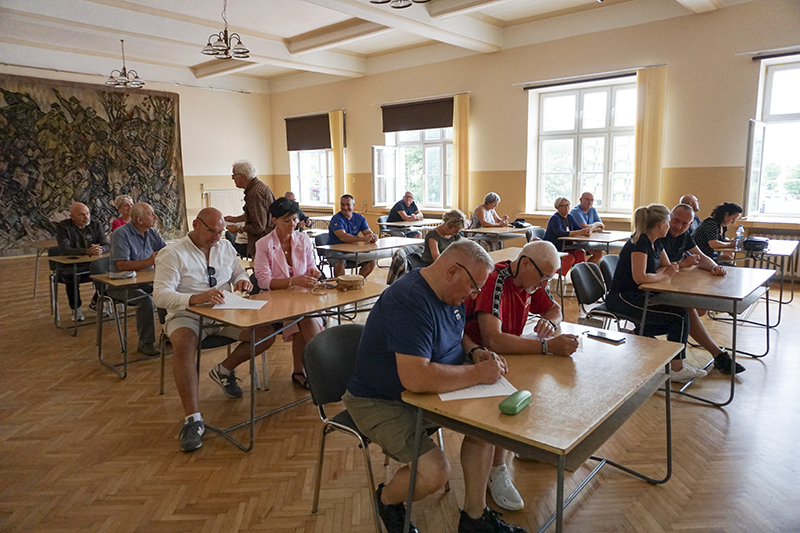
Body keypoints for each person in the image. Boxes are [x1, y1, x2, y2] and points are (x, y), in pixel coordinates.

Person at [343, 239, 526, 533]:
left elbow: (456, 336)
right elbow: (417, 378)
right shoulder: (409, 300)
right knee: (436, 472)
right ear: (452, 272)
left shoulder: (449, 295)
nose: (474, 295)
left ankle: (475, 519)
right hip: (380, 400)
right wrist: (478, 373)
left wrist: (475, 351)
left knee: (488, 428)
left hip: (428, 394)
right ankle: (387, 500)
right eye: (474, 287)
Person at [463, 241, 580, 512]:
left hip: (508, 357)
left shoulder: (529, 281)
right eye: (543, 277)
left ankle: (517, 446)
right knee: (503, 400)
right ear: (525, 263)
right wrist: (547, 346)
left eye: (548, 279)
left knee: (532, 385)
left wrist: (551, 322)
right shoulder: (496, 281)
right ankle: (497, 467)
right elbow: (493, 339)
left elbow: (554, 309)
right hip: (476, 357)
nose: (543, 284)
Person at [154, 208, 276, 453]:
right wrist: (195, 298)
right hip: (186, 314)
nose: (217, 237)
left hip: (223, 312)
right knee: (184, 345)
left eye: (221, 232)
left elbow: (238, 270)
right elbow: (160, 295)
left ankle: (223, 370)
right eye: (212, 231)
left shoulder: (224, 247)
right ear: (196, 224)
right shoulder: (173, 253)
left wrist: (243, 279)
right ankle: (193, 419)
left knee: (265, 333)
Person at [606, 204, 703, 383]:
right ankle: (676, 368)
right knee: (680, 318)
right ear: (660, 224)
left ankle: (638, 336)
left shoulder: (656, 241)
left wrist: (663, 272)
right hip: (623, 298)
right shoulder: (640, 242)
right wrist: (663, 274)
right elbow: (639, 277)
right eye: (668, 221)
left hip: (641, 294)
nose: (670, 226)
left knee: (679, 316)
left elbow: (667, 266)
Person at [660, 204, 745, 375]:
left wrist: (714, 267)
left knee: (697, 309)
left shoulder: (684, 236)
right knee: (687, 309)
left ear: (690, 225)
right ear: (669, 217)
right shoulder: (659, 234)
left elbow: (700, 256)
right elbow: (661, 268)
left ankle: (718, 355)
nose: (678, 226)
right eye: (675, 220)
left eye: (684, 224)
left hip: (669, 284)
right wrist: (683, 264)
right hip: (652, 288)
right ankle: (717, 355)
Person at [253, 197, 323, 390]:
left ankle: (303, 370)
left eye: (294, 219)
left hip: (300, 297)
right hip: (274, 301)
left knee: (304, 316)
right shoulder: (263, 244)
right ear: (274, 220)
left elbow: (311, 266)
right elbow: (263, 281)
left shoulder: (303, 239)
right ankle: (323, 366)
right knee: (305, 317)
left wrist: (314, 272)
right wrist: (293, 281)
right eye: (286, 220)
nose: (292, 224)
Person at [108, 202, 166, 357]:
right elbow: (122, 265)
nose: (155, 217)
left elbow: (165, 252)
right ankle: (145, 343)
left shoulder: (152, 233)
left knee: (168, 291)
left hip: (147, 281)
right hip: (122, 285)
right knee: (146, 301)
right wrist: (149, 261)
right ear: (140, 220)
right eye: (151, 214)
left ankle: (169, 332)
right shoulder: (120, 234)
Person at [55, 202, 110, 322]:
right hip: (71, 265)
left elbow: (107, 244)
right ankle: (76, 309)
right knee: (71, 277)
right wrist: (86, 251)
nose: (86, 217)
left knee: (108, 273)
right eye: (82, 215)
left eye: (88, 213)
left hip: (92, 263)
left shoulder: (95, 225)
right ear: (72, 216)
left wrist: (100, 249)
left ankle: (95, 303)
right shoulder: (63, 227)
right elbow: (65, 249)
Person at [224, 160, 276, 258]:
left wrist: (239, 229)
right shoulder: (259, 187)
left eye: (233, 175)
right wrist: (236, 219)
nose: (232, 178)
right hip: (268, 242)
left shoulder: (254, 194)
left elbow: (259, 226)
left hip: (263, 245)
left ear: (242, 177)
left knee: (260, 273)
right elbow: (257, 214)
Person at [327, 194, 378, 278]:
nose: (345, 207)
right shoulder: (336, 219)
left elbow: (368, 232)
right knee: (340, 262)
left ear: (353, 205)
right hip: (335, 249)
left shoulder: (360, 218)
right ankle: (341, 285)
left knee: (372, 259)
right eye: (342, 205)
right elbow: (343, 236)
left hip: (352, 249)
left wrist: (373, 237)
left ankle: (357, 280)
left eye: (348, 205)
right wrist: (362, 239)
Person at [543, 196, 591, 275]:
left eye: (568, 205)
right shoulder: (555, 219)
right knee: (569, 258)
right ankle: (557, 278)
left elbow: (578, 228)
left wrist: (586, 231)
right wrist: (580, 232)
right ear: (557, 207)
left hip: (567, 246)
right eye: (563, 206)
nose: (567, 208)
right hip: (555, 247)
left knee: (580, 252)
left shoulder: (569, 217)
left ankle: (581, 276)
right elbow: (561, 233)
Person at [569, 192, 605, 264]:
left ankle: (588, 270)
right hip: (577, 241)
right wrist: (596, 224)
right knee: (599, 252)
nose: (590, 202)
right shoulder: (575, 211)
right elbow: (585, 228)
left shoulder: (592, 210)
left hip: (588, 240)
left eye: (592, 200)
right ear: (581, 200)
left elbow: (602, 226)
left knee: (601, 251)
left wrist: (594, 226)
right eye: (587, 200)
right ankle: (585, 270)